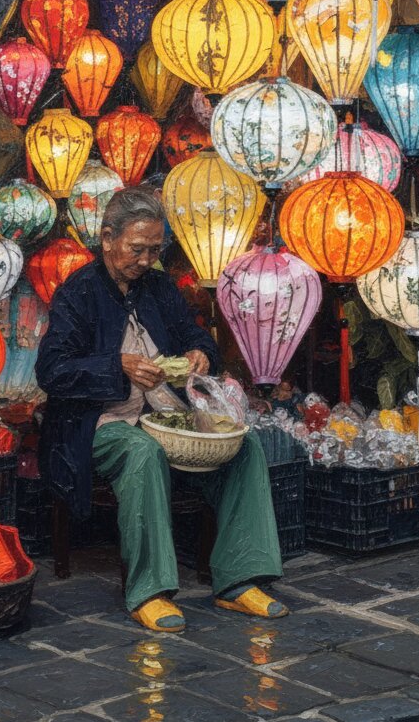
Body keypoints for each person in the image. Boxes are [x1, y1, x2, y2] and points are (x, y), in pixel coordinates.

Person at [36, 186, 286, 633]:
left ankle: (240, 579)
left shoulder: (159, 287)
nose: (146, 259)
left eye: (154, 250)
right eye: (137, 248)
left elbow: (196, 335)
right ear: (107, 238)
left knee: (243, 447)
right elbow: (52, 371)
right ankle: (150, 591)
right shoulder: (78, 293)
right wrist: (116, 365)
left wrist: (201, 354)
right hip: (98, 423)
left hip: (165, 414)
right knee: (141, 452)